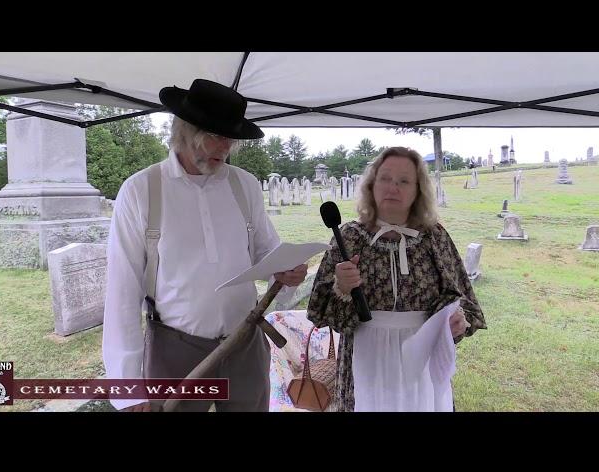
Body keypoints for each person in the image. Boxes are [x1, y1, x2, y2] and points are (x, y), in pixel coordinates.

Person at [102, 79, 307, 412]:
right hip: (174, 349)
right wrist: (127, 387)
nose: (224, 148)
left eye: (231, 138)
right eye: (216, 135)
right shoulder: (141, 190)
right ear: (184, 130)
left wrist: (286, 272)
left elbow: (268, 253)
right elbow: (121, 291)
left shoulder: (245, 186)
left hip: (246, 341)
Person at [307, 146, 486, 412]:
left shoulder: (434, 237)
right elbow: (321, 313)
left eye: (404, 181)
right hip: (364, 360)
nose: (394, 188)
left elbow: (466, 303)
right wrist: (342, 288)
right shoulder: (350, 238)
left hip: (421, 360)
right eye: (386, 179)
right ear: (372, 185)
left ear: (417, 190)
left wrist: (457, 321)